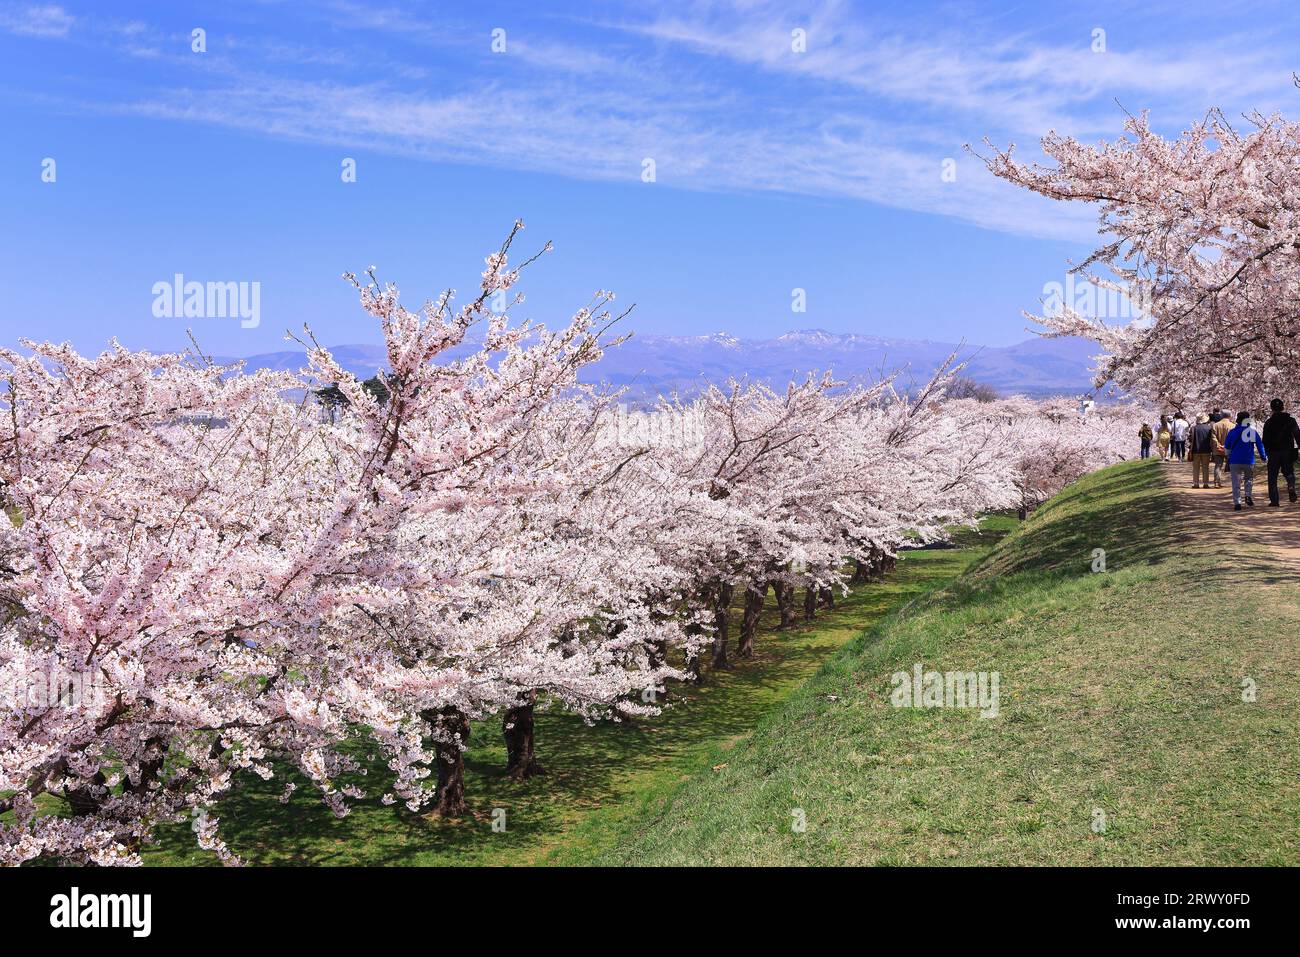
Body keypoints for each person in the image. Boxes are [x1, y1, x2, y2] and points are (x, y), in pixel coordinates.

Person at [1224, 410, 1268, 511]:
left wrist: (1228, 456)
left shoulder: (1233, 432)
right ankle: (1248, 495)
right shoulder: (1251, 432)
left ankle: (1237, 503)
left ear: (1237, 421)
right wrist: (1263, 456)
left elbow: (1227, 447)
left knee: (1236, 481)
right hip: (1248, 459)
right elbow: (1259, 445)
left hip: (1235, 460)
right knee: (1248, 479)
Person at [1262, 398, 1300, 506]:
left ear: (1272, 408)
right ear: (1283, 407)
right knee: (1289, 472)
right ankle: (1291, 486)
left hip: (1273, 452)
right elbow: (1297, 434)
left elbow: (1264, 440)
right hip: (1287, 451)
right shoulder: (1291, 420)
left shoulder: (1269, 422)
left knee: (1272, 476)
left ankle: (1274, 501)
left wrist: (1267, 451)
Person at [1188, 413, 1215, 488]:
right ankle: (1206, 483)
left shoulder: (1193, 428)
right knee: (1205, 467)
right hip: (1206, 450)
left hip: (1196, 450)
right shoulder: (1209, 428)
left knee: (1196, 468)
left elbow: (1190, 439)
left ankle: (1196, 483)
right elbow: (1211, 439)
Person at [1211, 409, 1233, 488]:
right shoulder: (1232, 425)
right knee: (1232, 465)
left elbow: (1213, 437)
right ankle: (1236, 481)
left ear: (1221, 415)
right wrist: (1226, 446)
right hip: (1229, 448)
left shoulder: (1215, 425)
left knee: (1218, 465)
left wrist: (1218, 445)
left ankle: (1217, 482)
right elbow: (1232, 438)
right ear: (1230, 416)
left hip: (1218, 449)